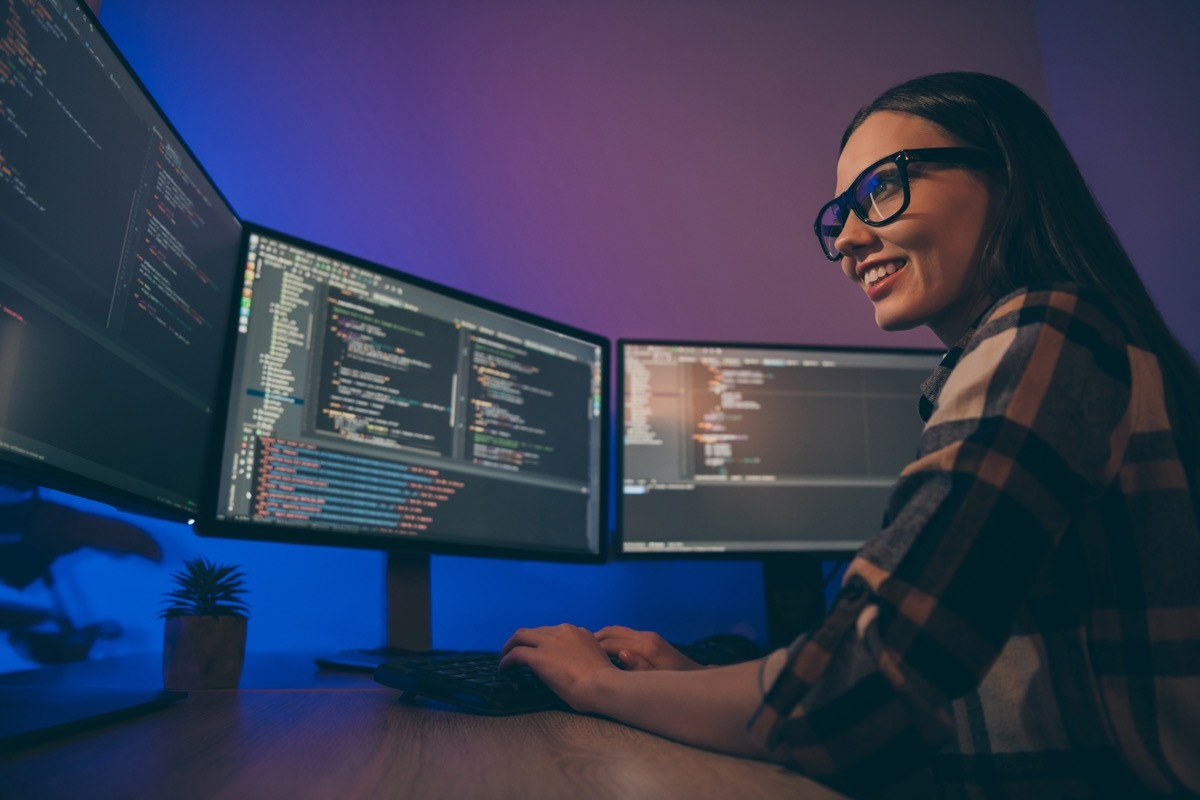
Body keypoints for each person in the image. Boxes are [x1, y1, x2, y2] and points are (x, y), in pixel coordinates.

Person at [499, 71, 1200, 799]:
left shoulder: (1046, 334)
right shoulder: (1078, 339)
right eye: (841, 216)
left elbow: (857, 695)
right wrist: (707, 688)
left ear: (1009, 178)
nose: (850, 242)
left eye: (880, 191)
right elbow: (941, 702)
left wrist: (594, 685)